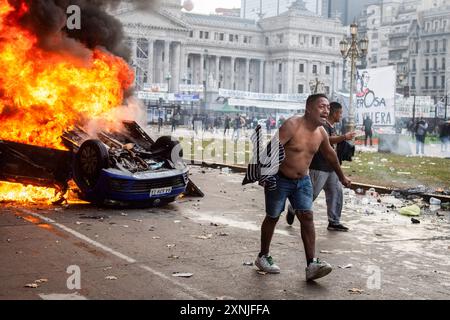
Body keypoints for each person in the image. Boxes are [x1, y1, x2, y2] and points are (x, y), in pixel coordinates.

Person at [253, 94, 352, 281]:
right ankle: (263, 256)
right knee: (273, 217)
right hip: (280, 178)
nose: (326, 111)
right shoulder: (293, 125)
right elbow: (272, 148)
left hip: (303, 181)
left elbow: (331, 155)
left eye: (328, 108)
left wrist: (341, 177)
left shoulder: (321, 132)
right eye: (321, 106)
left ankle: (312, 264)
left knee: (307, 216)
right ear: (308, 108)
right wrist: (264, 172)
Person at [286, 102, 356, 231]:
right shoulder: (321, 126)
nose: (341, 116)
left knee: (336, 192)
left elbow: (333, 144)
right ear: (334, 113)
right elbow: (326, 141)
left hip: (332, 167)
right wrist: (343, 137)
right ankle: (293, 208)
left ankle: (334, 221)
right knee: (311, 194)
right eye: (340, 113)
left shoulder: (332, 126)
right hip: (319, 166)